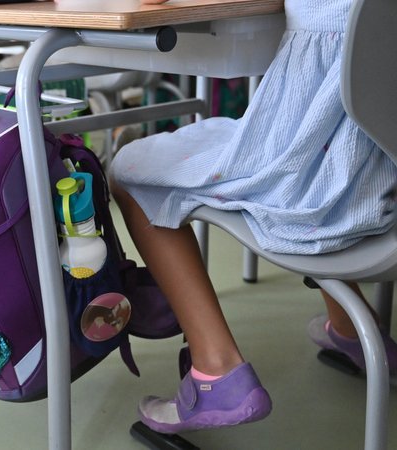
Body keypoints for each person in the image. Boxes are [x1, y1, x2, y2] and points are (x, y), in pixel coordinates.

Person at [108, 0, 397, 434]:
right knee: (298, 153)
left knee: (130, 172)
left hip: (324, 196)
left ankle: (216, 369)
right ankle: (351, 330)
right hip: (380, 181)